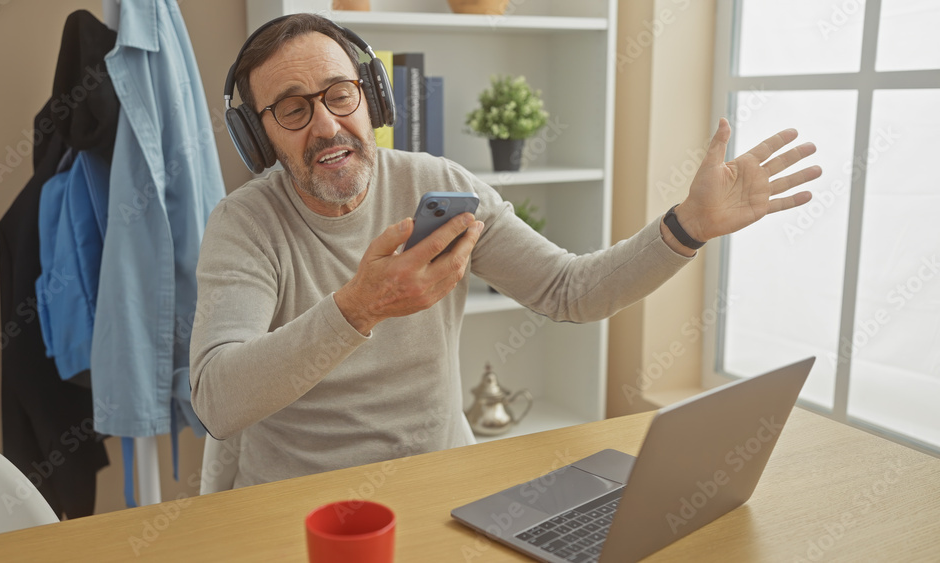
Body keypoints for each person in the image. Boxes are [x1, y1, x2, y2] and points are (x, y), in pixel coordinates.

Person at [188, 14, 821, 488]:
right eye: (292, 111)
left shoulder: (438, 184)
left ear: (371, 97)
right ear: (259, 136)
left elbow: (571, 291)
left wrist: (688, 227)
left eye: (339, 95)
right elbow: (217, 400)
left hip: (443, 481)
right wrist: (357, 308)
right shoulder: (243, 224)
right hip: (305, 503)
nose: (326, 125)